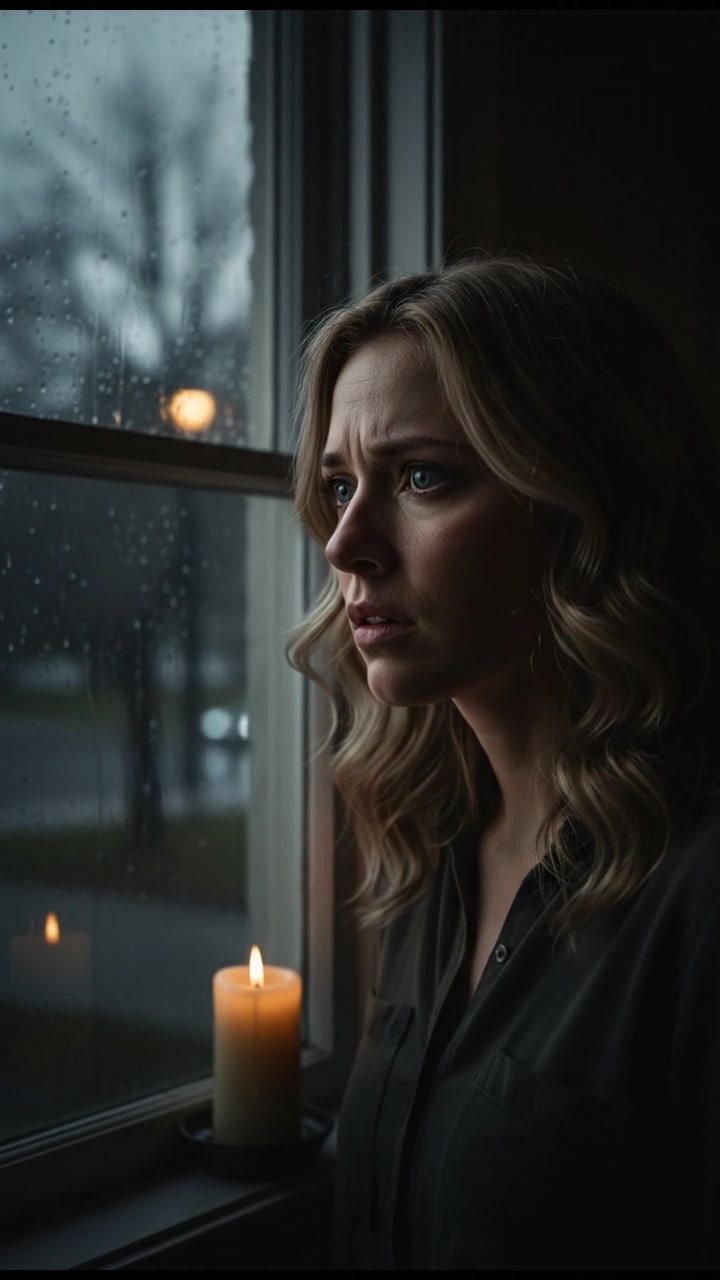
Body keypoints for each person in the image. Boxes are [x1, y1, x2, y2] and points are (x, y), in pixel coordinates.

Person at [286, 253, 720, 1271]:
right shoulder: (429, 838)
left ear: (578, 503)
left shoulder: (697, 887)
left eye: (423, 476)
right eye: (340, 484)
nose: (347, 543)